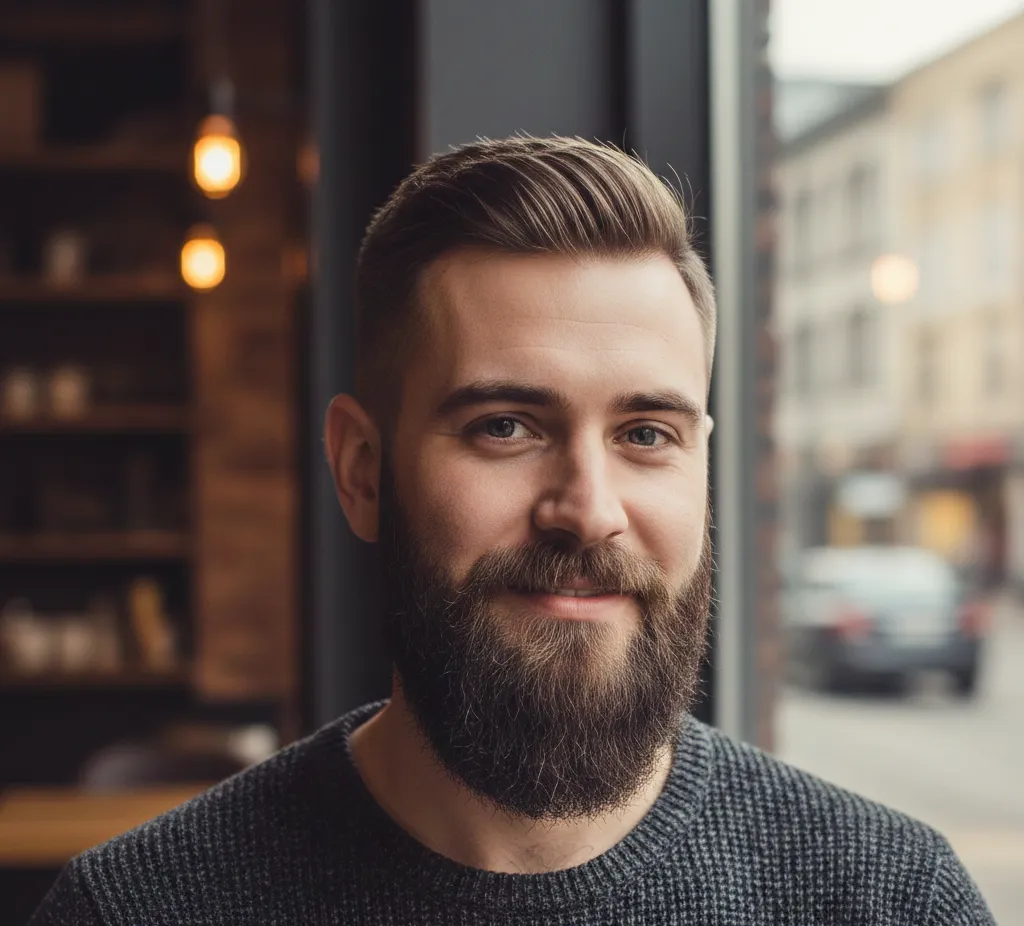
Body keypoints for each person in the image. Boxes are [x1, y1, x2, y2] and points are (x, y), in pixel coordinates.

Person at [31, 136, 994, 925]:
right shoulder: (137, 909)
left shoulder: (884, 898)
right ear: (362, 472)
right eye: (505, 427)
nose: (588, 507)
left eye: (646, 434)